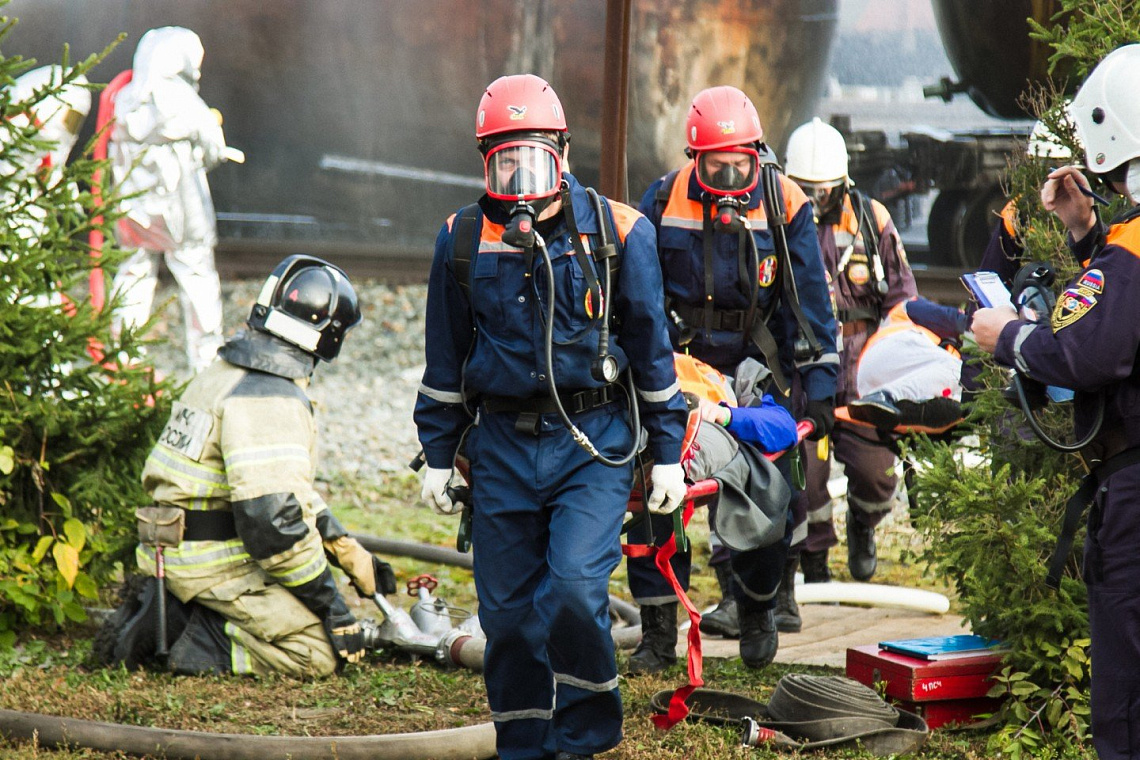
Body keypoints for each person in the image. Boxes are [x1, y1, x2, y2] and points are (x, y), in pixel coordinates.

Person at [414, 74, 687, 760]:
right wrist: (440, 455)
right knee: (506, 619)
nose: (519, 175)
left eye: (532, 155)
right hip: (502, 447)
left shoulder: (621, 233)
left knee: (570, 591)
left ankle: (586, 738)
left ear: (562, 153)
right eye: (504, 159)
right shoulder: (462, 241)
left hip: (591, 445)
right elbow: (444, 364)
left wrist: (666, 455)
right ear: (486, 162)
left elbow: (653, 354)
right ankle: (525, 745)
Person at [98, 255, 396, 677]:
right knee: (315, 651)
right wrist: (333, 609)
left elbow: (274, 490)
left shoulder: (224, 373)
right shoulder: (269, 398)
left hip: (174, 546)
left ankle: (175, 604)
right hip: (212, 561)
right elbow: (272, 525)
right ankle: (184, 631)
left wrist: (343, 546)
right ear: (329, 336)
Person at [628, 86, 838, 669]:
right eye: (715, 165)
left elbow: (811, 307)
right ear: (694, 158)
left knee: (767, 487)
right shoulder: (662, 200)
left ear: (757, 153)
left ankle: (756, 608)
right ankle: (656, 632)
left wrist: (819, 394)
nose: (727, 178)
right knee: (652, 485)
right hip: (680, 365)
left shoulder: (785, 203)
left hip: (755, 366)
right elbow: (635, 294)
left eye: (739, 164)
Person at [972, 43, 1140, 760]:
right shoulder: (1123, 249)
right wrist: (1083, 233)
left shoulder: (1132, 250)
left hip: (1136, 490)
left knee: (1126, 697)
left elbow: (1086, 349)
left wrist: (1008, 335)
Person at [784, 117, 917, 593]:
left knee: (876, 475)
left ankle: (864, 524)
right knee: (805, 479)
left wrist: (892, 369)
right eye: (805, 191)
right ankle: (813, 561)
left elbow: (902, 302)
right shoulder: (776, 224)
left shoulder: (871, 221)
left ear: (843, 186)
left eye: (823, 193)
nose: (814, 203)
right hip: (803, 378)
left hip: (862, 376)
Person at [108, 27, 236, 373]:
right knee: (197, 276)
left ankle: (123, 359)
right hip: (182, 212)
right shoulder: (186, 103)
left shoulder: (123, 99)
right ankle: (206, 363)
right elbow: (212, 150)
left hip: (133, 211)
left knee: (133, 272)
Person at [847, 298, 967, 430]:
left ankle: (902, 408)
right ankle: (885, 396)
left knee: (956, 398)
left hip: (873, 383)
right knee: (960, 375)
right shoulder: (916, 307)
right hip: (887, 354)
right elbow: (963, 325)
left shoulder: (935, 366)